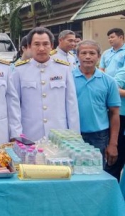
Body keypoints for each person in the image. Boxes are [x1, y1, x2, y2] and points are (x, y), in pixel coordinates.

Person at [12, 27, 80, 141]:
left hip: (59, 133)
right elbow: (14, 105)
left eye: (45, 44)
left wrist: (75, 135)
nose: (41, 48)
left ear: (52, 45)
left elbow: (71, 103)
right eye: (36, 44)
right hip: (30, 133)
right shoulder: (19, 70)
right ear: (29, 46)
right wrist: (16, 133)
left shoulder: (63, 68)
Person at [73, 40, 120, 170]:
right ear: (77, 56)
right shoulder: (68, 78)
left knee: (97, 172)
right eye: (84, 53)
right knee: (73, 172)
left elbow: (115, 113)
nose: (88, 56)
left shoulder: (109, 82)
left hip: (99, 136)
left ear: (99, 57)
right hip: (72, 136)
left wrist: (113, 144)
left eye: (92, 53)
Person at [100, 28, 125, 181]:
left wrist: (110, 87)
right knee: (113, 144)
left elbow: (118, 79)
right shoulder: (106, 53)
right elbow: (101, 70)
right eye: (108, 37)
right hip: (112, 109)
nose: (110, 40)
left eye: (112, 37)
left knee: (119, 146)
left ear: (121, 37)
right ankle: (111, 179)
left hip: (121, 106)